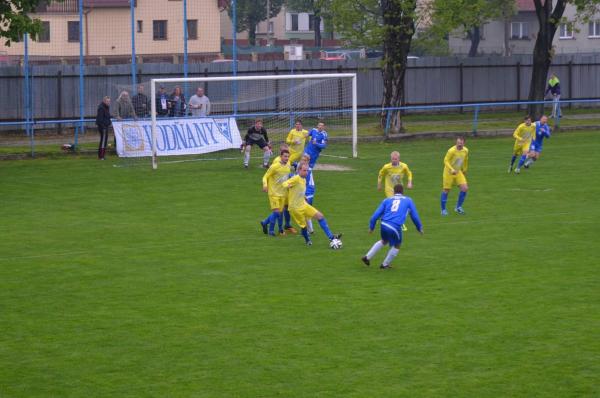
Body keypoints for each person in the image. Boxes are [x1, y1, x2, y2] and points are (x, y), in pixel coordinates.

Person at [362, 184, 423, 269]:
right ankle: (384, 265)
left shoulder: (386, 200)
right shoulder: (408, 200)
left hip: (384, 224)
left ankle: (367, 257)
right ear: (403, 192)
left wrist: (371, 227)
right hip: (394, 226)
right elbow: (414, 216)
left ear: (393, 192)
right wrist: (419, 227)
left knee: (384, 240)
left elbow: (375, 215)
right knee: (397, 245)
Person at [282, 161, 341, 246]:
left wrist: (304, 197)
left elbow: (300, 190)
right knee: (303, 226)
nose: (306, 172)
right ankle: (307, 240)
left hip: (303, 204)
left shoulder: (304, 179)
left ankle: (331, 237)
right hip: (295, 208)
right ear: (299, 170)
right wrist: (286, 185)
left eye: (307, 170)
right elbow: (285, 183)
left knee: (320, 216)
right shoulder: (296, 178)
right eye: (304, 170)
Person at [378, 151, 413, 231]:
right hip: (389, 189)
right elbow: (381, 174)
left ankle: (382, 216)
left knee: (397, 205)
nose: (393, 160)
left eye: (395, 159)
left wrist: (410, 182)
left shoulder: (404, 166)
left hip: (399, 189)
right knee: (393, 205)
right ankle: (400, 224)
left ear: (399, 159)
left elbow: (409, 173)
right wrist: (379, 184)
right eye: (392, 159)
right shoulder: (387, 167)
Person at [260, 149, 292, 236]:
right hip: (273, 193)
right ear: (280, 156)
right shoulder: (274, 166)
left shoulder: (288, 165)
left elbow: (286, 178)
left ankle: (265, 222)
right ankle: (271, 231)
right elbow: (265, 176)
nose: (287, 158)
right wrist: (265, 185)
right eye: (285, 156)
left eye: (288, 156)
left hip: (283, 194)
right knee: (277, 212)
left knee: (279, 212)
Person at [440, 136, 469, 216]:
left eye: (461, 143)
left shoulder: (465, 151)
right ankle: (443, 210)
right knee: (446, 190)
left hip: (458, 171)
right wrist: (451, 169)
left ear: (464, 143)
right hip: (448, 172)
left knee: (465, 188)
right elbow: (445, 161)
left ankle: (458, 207)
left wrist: (465, 170)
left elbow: (466, 160)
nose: (459, 144)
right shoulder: (451, 151)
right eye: (458, 143)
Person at [95, 96, 112, 160]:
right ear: (104, 101)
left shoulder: (106, 107)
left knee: (104, 141)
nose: (109, 102)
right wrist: (103, 127)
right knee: (103, 141)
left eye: (109, 101)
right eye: (107, 101)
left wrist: (109, 122)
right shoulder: (101, 108)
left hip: (105, 126)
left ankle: (102, 155)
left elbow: (107, 117)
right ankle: (101, 156)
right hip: (103, 128)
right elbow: (100, 119)